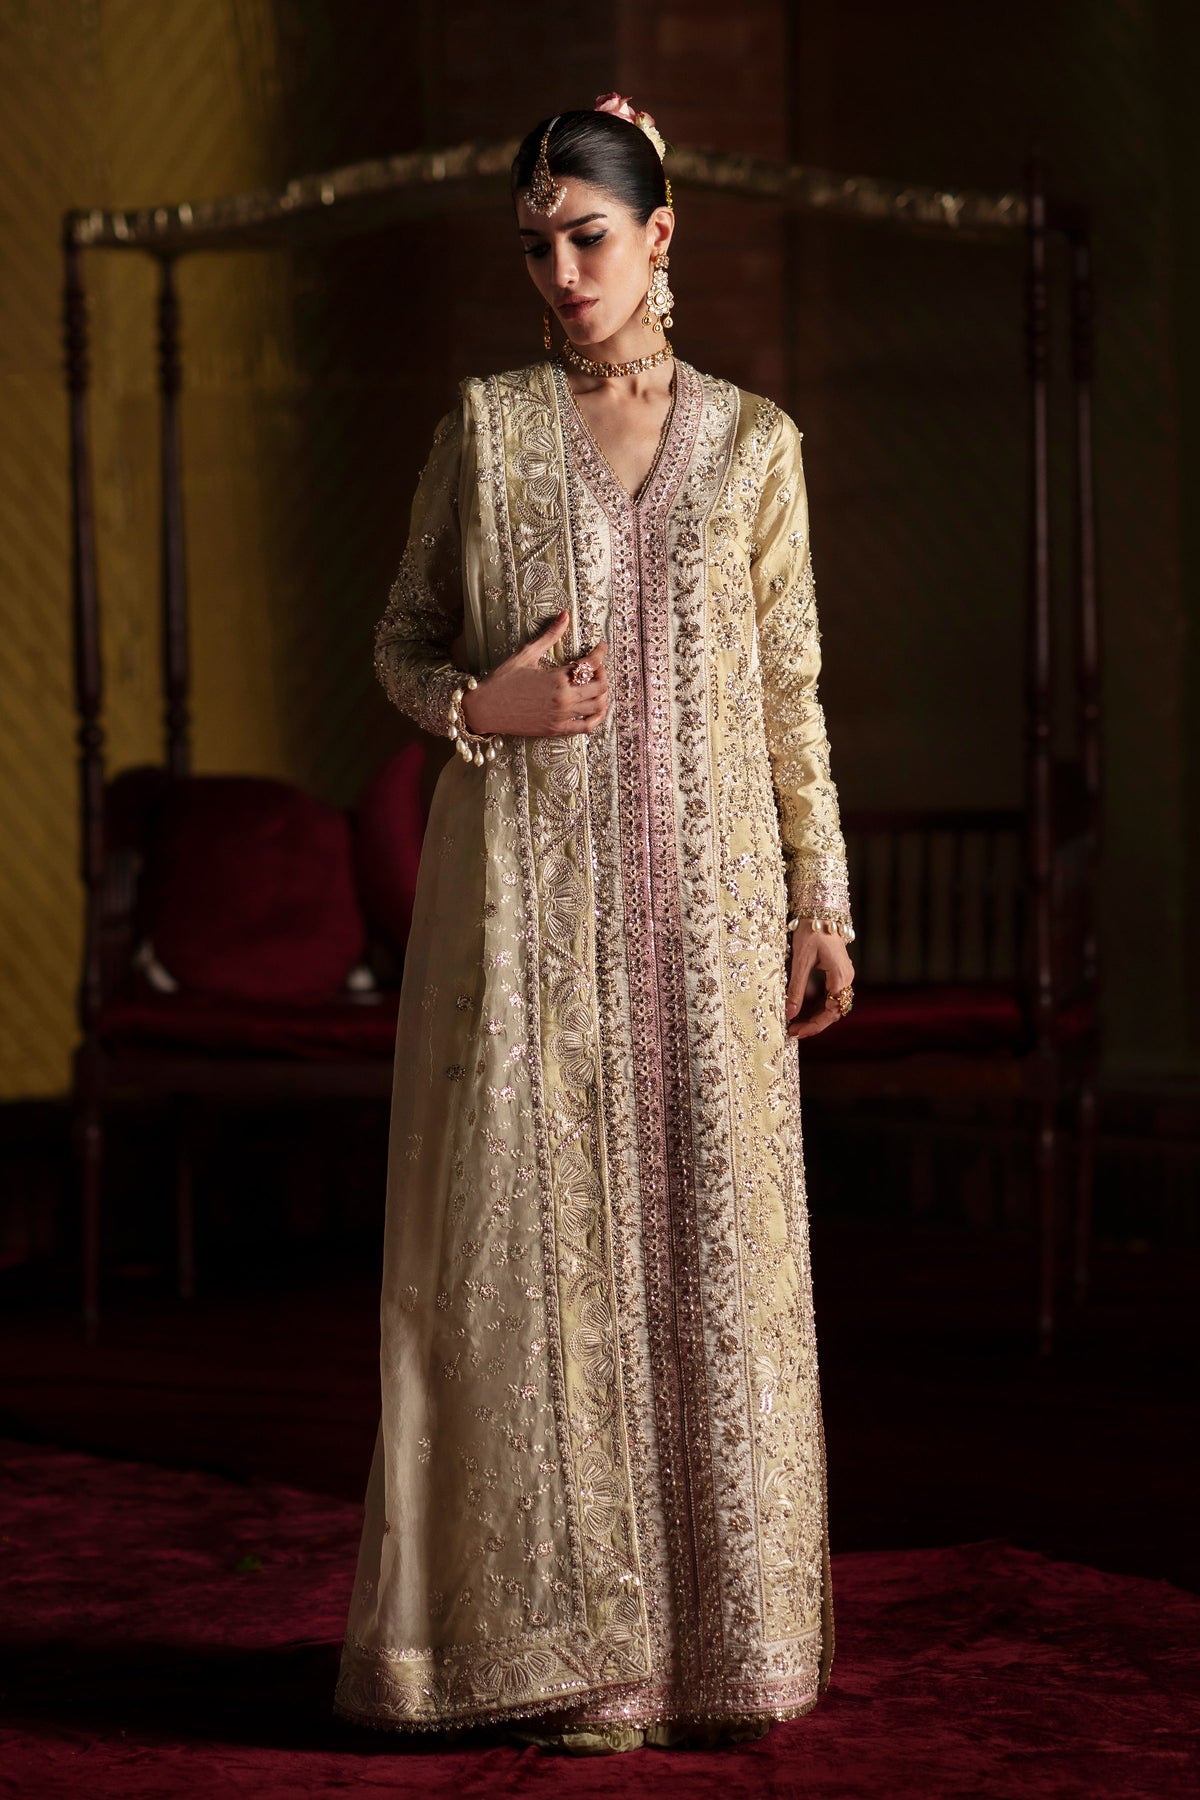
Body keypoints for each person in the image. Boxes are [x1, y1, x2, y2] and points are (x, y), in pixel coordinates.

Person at [333, 94, 856, 1755]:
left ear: (660, 234)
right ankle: (583, 1659)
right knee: (550, 1267)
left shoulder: (756, 446)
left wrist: (821, 897)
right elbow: (402, 639)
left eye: (589, 237)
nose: (562, 275)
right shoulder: (488, 433)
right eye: (537, 246)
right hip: (535, 924)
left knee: (712, 1255)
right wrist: (475, 704)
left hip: (713, 922)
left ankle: (727, 1651)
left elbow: (791, 690)